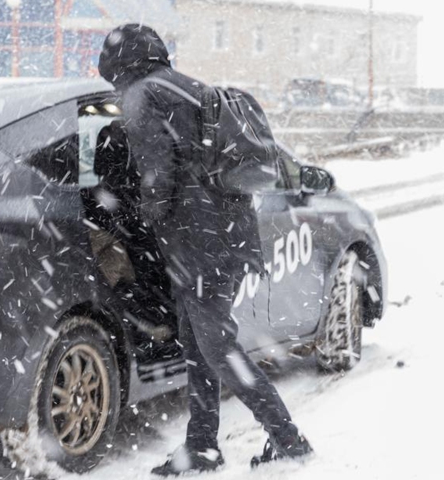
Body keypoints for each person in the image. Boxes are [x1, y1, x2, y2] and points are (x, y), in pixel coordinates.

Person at [97, 24, 314, 476]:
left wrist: (134, 221)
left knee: (216, 348)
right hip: (224, 236)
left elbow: (157, 179)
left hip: (198, 246)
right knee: (199, 346)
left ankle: (288, 439)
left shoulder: (141, 96)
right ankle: (202, 447)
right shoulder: (185, 87)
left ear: (119, 63)